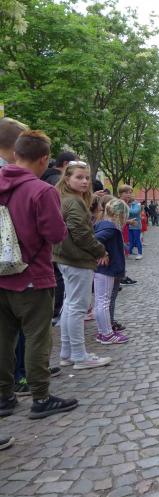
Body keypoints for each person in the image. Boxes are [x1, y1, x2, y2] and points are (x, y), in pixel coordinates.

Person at [0, 128, 78, 420]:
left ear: (16, 153)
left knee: (3, 340)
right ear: (44, 159)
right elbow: (55, 234)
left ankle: (4, 397)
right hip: (32, 276)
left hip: (1, 276)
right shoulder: (41, 191)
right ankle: (41, 397)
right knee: (36, 338)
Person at [53, 161, 112, 370]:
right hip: (77, 259)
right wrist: (100, 251)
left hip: (67, 258)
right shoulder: (73, 202)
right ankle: (79, 356)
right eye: (79, 177)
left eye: (87, 177)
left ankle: (68, 353)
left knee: (70, 306)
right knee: (77, 308)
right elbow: (82, 235)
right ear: (67, 179)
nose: (85, 181)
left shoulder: (65, 199)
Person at [93, 197, 130, 344]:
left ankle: (103, 331)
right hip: (107, 269)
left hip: (103, 269)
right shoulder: (110, 227)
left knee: (100, 302)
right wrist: (102, 252)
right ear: (118, 214)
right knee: (103, 302)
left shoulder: (102, 224)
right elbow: (94, 240)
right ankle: (107, 334)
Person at [120, 185, 143, 260]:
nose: (129, 195)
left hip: (136, 225)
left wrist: (126, 208)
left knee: (137, 240)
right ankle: (128, 251)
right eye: (127, 193)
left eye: (130, 193)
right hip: (128, 225)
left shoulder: (137, 204)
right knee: (130, 240)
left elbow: (135, 212)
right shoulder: (125, 203)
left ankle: (140, 253)